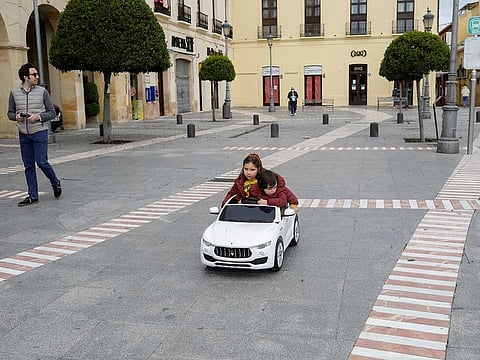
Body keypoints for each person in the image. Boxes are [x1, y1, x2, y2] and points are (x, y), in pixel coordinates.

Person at [7, 62, 62, 206]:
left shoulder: (42, 92)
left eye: (37, 74)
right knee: (28, 165)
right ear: (26, 77)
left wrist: (38, 117)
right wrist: (16, 116)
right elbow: (10, 113)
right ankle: (32, 195)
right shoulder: (14, 93)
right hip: (23, 133)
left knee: (41, 162)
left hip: (39, 131)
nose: (37, 77)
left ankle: (55, 182)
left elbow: (52, 112)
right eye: (34, 74)